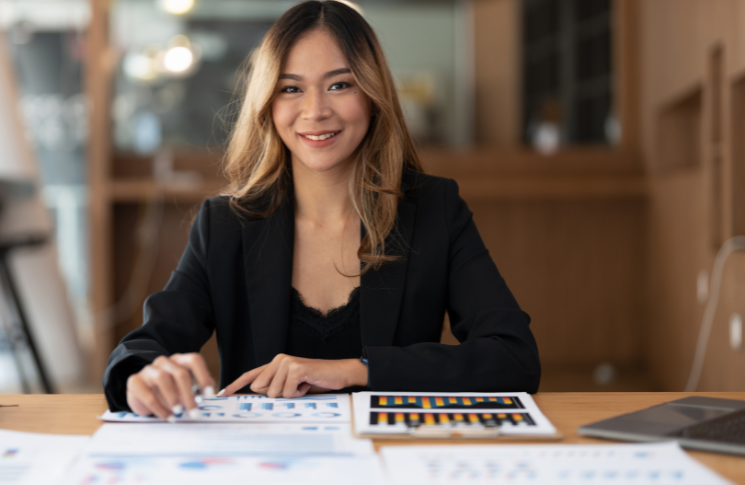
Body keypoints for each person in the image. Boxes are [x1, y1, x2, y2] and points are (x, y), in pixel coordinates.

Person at [103, 0, 540, 419]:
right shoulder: (225, 224)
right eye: (291, 89)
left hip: (391, 456)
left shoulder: (434, 210)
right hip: (265, 462)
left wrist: (357, 370)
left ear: (371, 94)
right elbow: (146, 347)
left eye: (340, 84)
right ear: (268, 105)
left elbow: (513, 357)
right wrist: (142, 376)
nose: (315, 111)